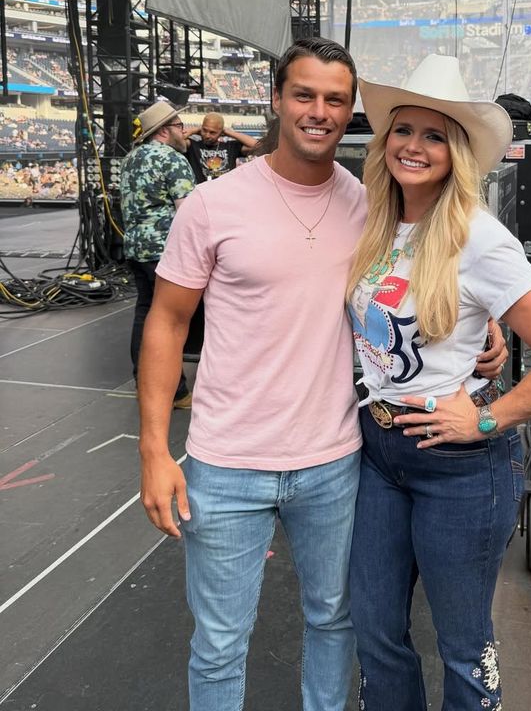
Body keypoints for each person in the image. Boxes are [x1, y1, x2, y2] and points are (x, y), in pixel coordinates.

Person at [136, 38, 507, 711]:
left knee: (335, 625)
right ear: (276, 100)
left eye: (336, 99)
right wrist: (154, 450)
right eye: (304, 94)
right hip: (225, 464)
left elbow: (433, 273)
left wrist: (488, 331)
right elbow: (165, 323)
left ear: (350, 111)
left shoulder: (375, 205)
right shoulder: (212, 205)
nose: (319, 111)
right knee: (219, 644)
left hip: (337, 462)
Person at [346, 53, 531, 710]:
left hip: (460, 465)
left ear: (456, 152)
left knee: (462, 646)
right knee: (375, 634)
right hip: (378, 452)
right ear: (384, 140)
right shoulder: (374, 224)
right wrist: (481, 336)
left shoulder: (478, 238)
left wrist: (485, 419)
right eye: (404, 130)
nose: (415, 146)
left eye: (435, 135)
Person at [120, 101, 195, 409]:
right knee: (171, 323)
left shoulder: (130, 158)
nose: (183, 131)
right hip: (164, 252)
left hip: (135, 248)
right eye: (178, 126)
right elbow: (187, 212)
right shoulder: (172, 159)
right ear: (164, 132)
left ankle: (144, 382)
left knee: (144, 315)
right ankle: (174, 391)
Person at [183, 112, 259, 183]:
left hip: (225, 193)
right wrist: (195, 130)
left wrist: (229, 133)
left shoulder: (230, 147)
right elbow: (177, 139)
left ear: (221, 132)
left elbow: (257, 145)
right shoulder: (193, 145)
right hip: (202, 193)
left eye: (212, 132)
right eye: (204, 130)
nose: (207, 135)